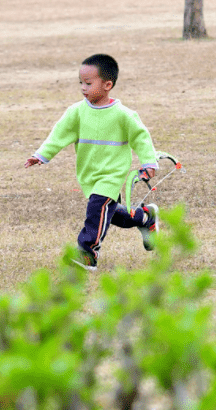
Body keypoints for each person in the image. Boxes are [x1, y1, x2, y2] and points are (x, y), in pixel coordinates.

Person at [24, 54, 159, 271]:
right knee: (110, 214)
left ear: (107, 85)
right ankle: (145, 217)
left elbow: (141, 138)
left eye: (88, 83)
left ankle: (87, 253)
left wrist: (148, 162)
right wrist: (41, 155)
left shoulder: (124, 115)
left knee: (96, 210)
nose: (83, 88)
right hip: (89, 175)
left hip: (112, 175)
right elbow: (58, 135)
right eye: (81, 83)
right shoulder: (76, 112)